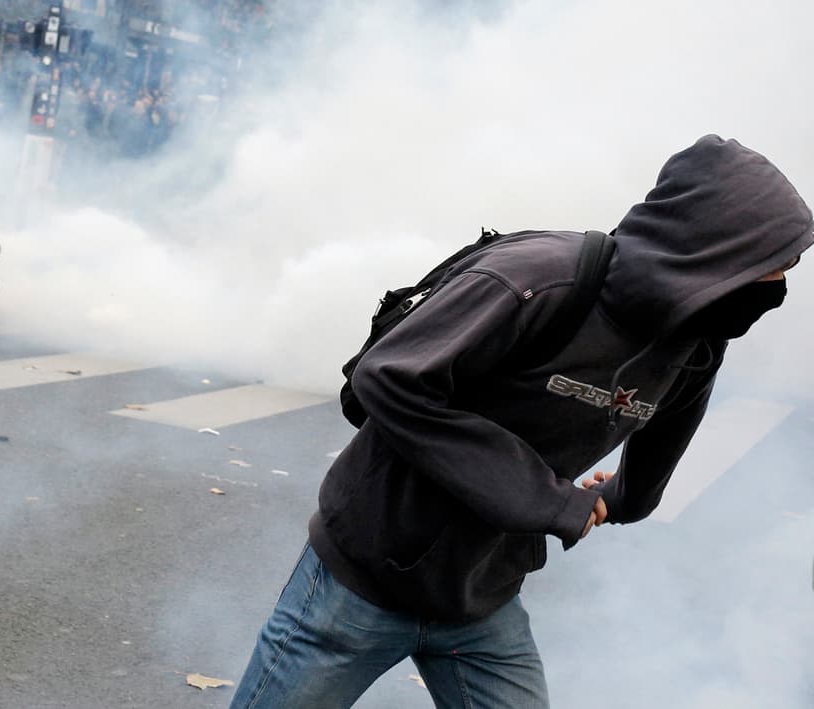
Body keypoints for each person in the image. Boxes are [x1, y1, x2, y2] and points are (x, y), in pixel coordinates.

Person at [232, 135, 812, 709]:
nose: (778, 287)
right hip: (360, 577)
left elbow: (663, 440)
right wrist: (551, 502)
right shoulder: (538, 278)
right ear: (712, 249)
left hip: (484, 595)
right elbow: (388, 377)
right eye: (770, 267)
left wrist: (624, 497)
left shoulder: (698, 336)